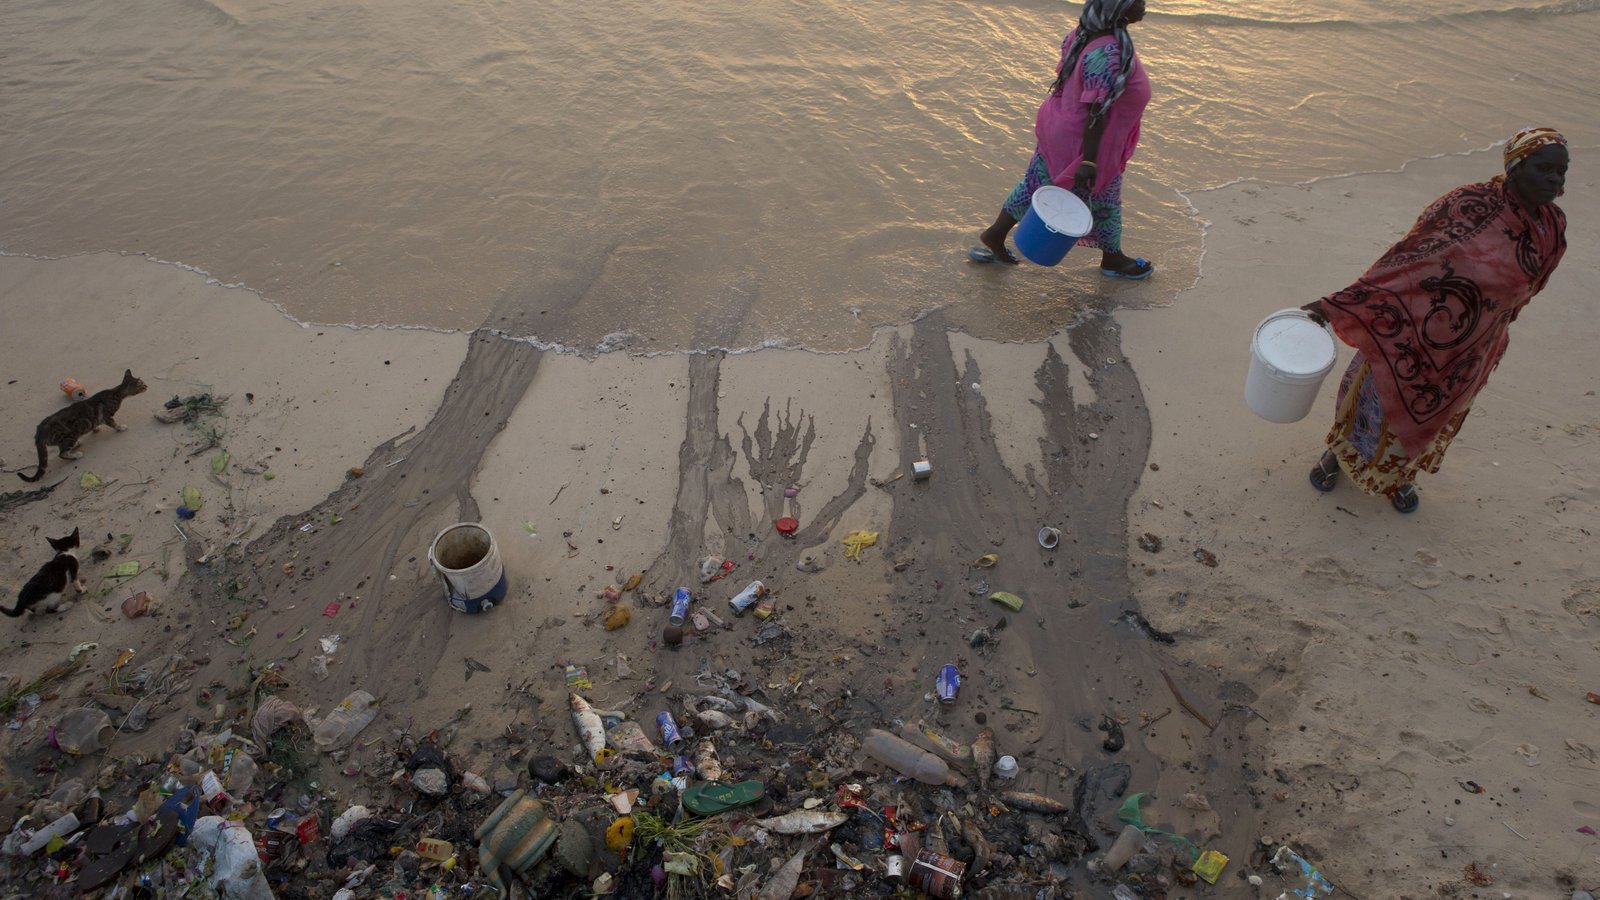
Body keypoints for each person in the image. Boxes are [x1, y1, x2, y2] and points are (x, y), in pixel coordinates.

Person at [1302, 127, 1569, 513]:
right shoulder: (1467, 204)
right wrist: (1339, 303)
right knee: (1371, 403)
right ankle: (1336, 458)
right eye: (1544, 169)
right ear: (1516, 166)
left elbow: (1533, 285)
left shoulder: (1551, 226)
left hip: (1473, 346)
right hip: (1410, 332)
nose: (1555, 180)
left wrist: (1491, 326)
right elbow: (1405, 262)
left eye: (1561, 172)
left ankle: (1400, 475)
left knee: (1437, 412)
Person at [971, 0, 1154, 279]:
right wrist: (1090, 160)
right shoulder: (1108, 54)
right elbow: (1097, 111)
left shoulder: (1083, 34)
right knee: (1104, 196)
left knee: (1037, 182)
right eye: (1138, 1)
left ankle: (995, 234)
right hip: (1083, 139)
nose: (1144, 6)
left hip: (1060, 123)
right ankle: (1113, 259)